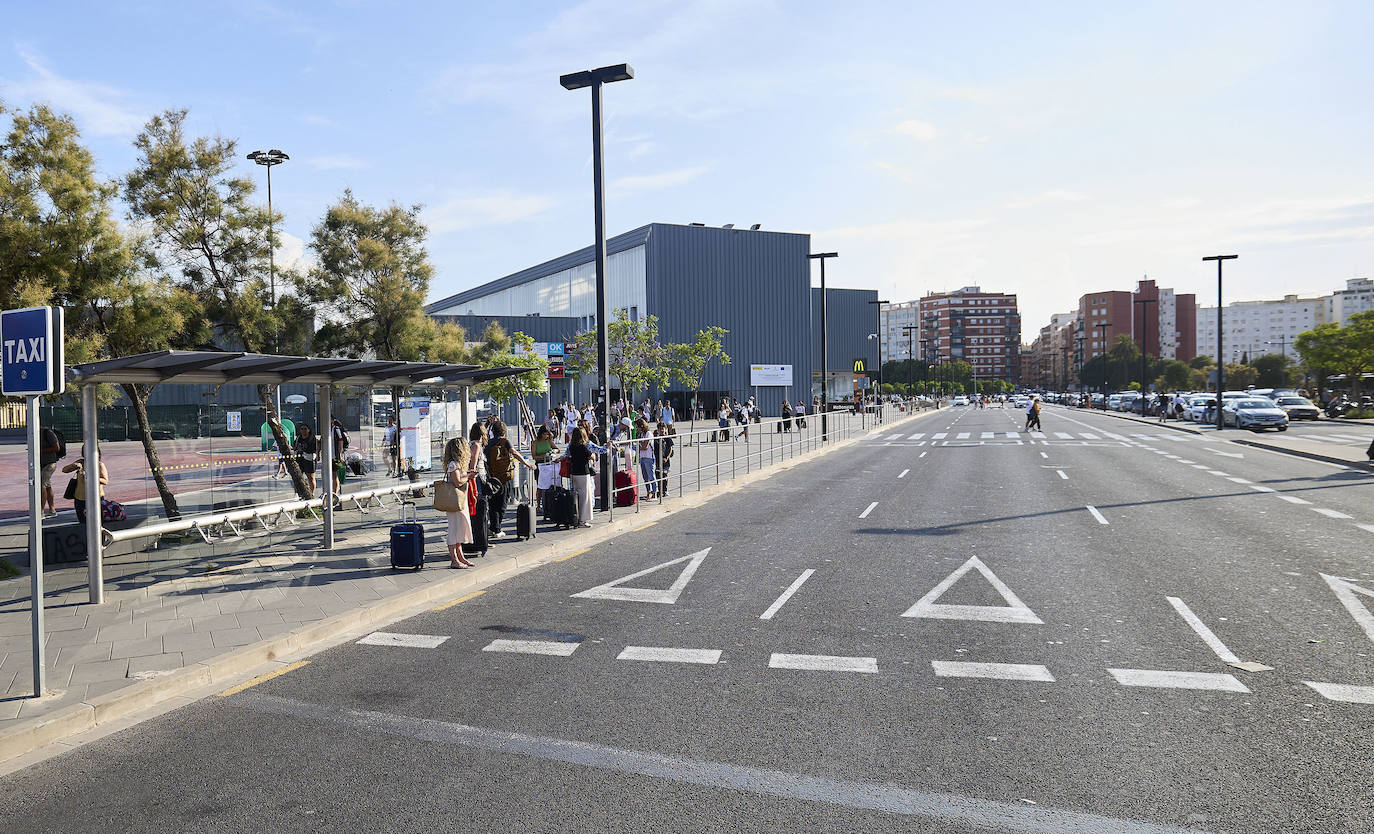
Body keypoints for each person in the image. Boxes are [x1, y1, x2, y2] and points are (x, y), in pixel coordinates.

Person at [484, 420, 535, 538]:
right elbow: (515, 453)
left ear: (493, 431)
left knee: (492, 504)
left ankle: (493, 528)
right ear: (504, 431)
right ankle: (496, 529)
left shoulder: (488, 444)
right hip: (504, 477)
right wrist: (527, 464)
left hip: (491, 478)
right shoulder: (505, 441)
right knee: (502, 504)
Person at [441, 437, 474, 569]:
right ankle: (454, 560)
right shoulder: (453, 464)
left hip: (460, 499)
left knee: (460, 528)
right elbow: (457, 482)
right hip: (454, 501)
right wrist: (469, 477)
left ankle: (461, 557)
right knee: (454, 529)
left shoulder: (457, 464)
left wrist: (467, 475)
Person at [566, 427, 604, 527]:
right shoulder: (584, 447)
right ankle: (583, 520)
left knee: (576, 496)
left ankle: (575, 517)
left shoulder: (571, 446)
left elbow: (566, 455)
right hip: (583, 473)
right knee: (585, 497)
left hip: (573, 473)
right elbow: (591, 456)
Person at [60, 449, 108, 525]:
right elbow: (64, 470)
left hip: (95, 498)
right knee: (82, 522)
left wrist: (90, 477)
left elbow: (105, 481)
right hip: (80, 498)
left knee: (98, 522)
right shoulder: (81, 462)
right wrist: (74, 465)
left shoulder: (99, 464)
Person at [532, 425, 560, 512]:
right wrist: (543, 456)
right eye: (544, 434)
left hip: (549, 465)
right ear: (540, 434)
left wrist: (554, 451)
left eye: (547, 434)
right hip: (540, 465)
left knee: (551, 484)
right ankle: (538, 505)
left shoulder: (549, 441)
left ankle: (550, 504)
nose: (546, 436)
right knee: (540, 486)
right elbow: (534, 456)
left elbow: (557, 449)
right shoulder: (535, 442)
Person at [39, 424, 62, 516]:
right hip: (40, 463)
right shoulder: (34, 434)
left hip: (50, 463)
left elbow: (56, 448)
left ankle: (41, 510)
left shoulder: (47, 433)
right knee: (47, 485)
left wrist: (40, 451)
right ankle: (52, 509)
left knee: (42, 484)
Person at [295, 424, 319, 495]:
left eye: (305, 429)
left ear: (309, 430)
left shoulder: (312, 438)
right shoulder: (298, 438)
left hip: (309, 459)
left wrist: (317, 455)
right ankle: (297, 494)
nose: (303, 430)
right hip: (299, 459)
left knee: (311, 477)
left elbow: (316, 448)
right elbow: (295, 447)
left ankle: (311, 493)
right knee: (297, 477)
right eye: (302, 429)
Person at [636, 419, 657, 499]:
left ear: (642, 426)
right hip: (642, 457)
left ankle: (655, 492)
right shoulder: (641, 435)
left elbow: (645, 447)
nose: (637, 429)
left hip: (649, 457)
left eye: (638, 427)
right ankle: (648, 492)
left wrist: (638, 447)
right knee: (645, 477)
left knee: (651, 476)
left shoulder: (648, 433)